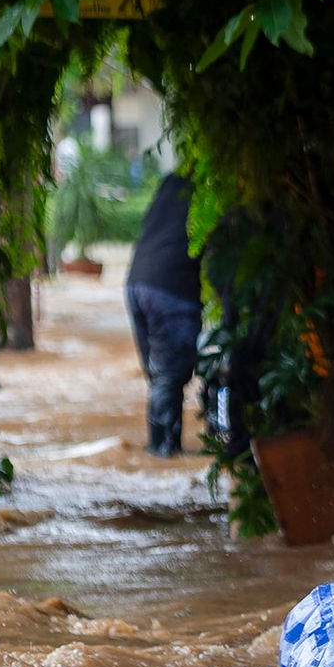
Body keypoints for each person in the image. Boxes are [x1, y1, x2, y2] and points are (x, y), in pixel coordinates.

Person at [125, 173, 202, 456]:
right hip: (171, 289)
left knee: (158, 373)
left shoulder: (172, 183)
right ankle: (164, 449)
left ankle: (159, 447)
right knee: (169, 374)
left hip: (136, 284)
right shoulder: (207, 190)